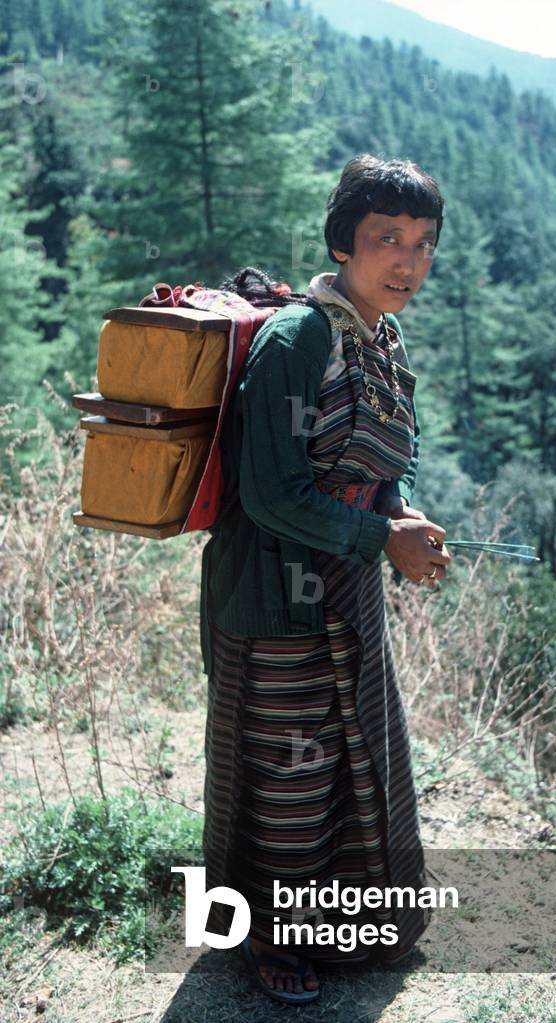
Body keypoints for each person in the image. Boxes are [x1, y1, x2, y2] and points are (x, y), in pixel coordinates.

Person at [199, 153, 451, 1005]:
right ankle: (269, 938)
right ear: (344, 242)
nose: (407, 262)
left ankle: (342, 931)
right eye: (387, 238)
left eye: (421, 243)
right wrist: (384, 535)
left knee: (351, 760)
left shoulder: (377, 333)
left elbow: (387, 455)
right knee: (287, 773)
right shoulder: (297, 339)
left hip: (341, 587)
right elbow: (271, 495)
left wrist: (402, 514)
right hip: (271, 595)